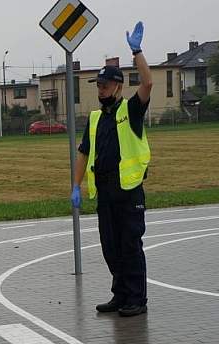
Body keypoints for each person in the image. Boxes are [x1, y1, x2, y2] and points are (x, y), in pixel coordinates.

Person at [70, 21, 153, 318]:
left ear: (117, 85)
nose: (100, 90)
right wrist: (76, 186)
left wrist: (137, 52)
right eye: (98, 86)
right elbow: (83, 154)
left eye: (104, 85)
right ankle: (120, 295)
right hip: (104, 191)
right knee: (110, 246)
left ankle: (137, 299)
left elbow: (147, 84)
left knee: (130, 244)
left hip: (128, 190)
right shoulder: (95, 118)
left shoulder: (129, 110)